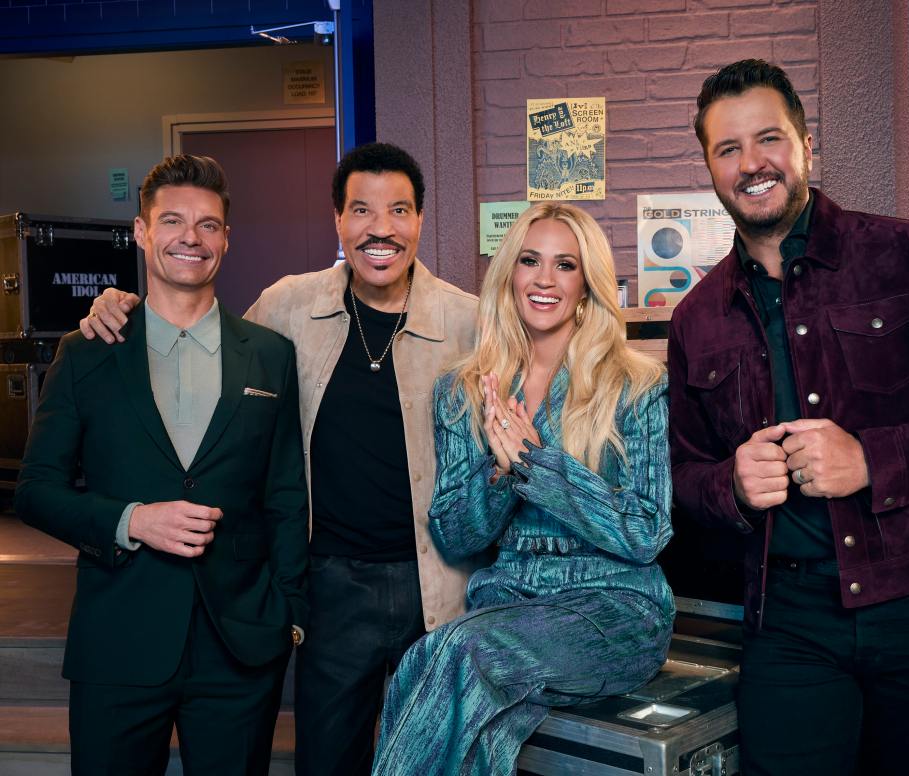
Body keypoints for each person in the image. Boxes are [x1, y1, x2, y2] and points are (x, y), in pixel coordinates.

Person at [668, 59, 909, 776]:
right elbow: (684, 476)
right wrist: (730, 485)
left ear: (805, 144)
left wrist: (874, 459)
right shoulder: (696, 317)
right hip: (790, 619)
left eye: (768, 138)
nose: (751, 163)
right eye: (728, 148)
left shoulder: (908, 253)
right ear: (710, 168)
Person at [80, 142, 481, 776]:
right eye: (362, 210)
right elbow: (199, 343)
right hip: (330, 586)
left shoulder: (470, 322)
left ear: (420, 221)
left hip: (440, 581)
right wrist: (121, 305)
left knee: (437, 761)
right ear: (338, 220)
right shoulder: (289, 306)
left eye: (399, 210)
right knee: (327, 761)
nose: (380, 228)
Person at [16, 154, 309, 775]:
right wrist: (132, 520)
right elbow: (35, 491)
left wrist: (289, 613)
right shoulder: (87, 352)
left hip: (238, 645)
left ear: (226, 239)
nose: (190, 237)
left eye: (208, 224)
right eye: (172, 221)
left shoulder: (270, 355)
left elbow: (285, 497)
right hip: (118, 637)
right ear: (142, 232)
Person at [370, 202, 675, 775]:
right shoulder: (463, 390)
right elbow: (455, 535)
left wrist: (537, 465)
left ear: (586, 285)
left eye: (566, 265)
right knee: (426, 669)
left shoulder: (635, 384)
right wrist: (502, 474)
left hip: (614, 609)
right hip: (507, 604)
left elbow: (646, 532)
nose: (544, 279)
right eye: (530, 261)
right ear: (509, 274)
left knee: (464, 653)